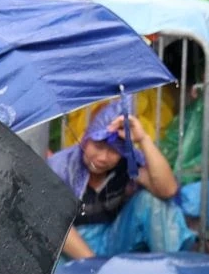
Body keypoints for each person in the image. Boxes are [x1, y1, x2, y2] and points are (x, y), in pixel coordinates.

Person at [47, 100, 192, 260]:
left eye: (113, 151)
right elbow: (54, 224)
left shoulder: (127, 163)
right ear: (86, 138)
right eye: (98, 146)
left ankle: (171, 270)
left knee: (151, 201)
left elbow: (168, 190)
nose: (102, 158)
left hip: (113, 238)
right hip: (69, 250)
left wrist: (143, 139)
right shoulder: (61, 166)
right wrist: (93, 267)